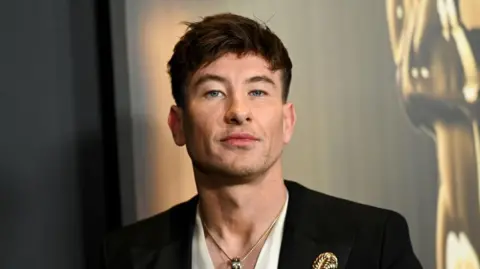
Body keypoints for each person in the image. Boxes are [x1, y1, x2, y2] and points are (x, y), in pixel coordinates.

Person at [103, 13, 422, 269]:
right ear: (178, 124)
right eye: (214, 92)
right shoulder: (125, 255)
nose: (239, 112)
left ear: (287, 121)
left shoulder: (373, 241)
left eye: (257, 91)